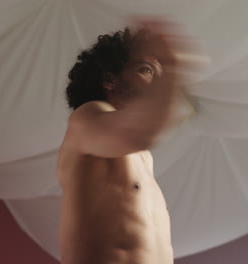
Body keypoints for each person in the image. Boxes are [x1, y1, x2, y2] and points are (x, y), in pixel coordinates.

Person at [57, 18, 197, 264]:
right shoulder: (87, 117)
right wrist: (172, 65)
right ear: (110, 80)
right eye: (147, 70)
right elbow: (142, 131)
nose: (156, 82)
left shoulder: (142, 156)